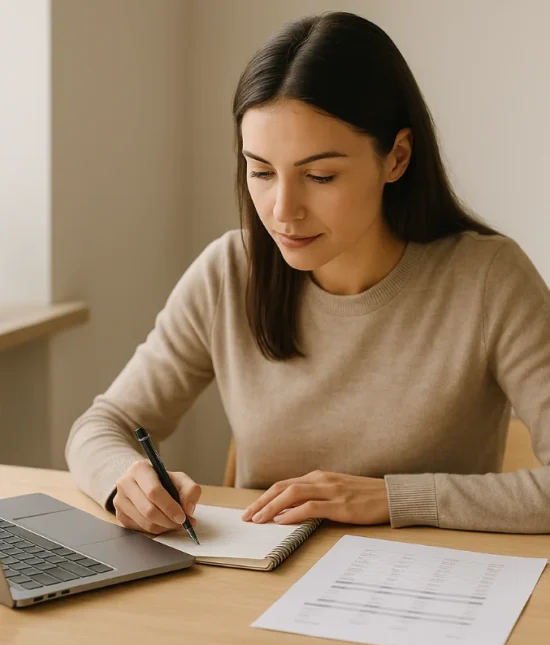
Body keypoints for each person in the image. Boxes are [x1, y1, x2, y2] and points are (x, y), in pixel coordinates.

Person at [66, 10, 550, 536]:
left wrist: (391, 498)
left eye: (319, 175)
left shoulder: (489, 280)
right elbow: (101, 426)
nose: (282, 209)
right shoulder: (230, 272)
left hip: (433, 593)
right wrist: (126, 482)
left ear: (398, 157)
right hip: (259, 585)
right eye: (261, 171)